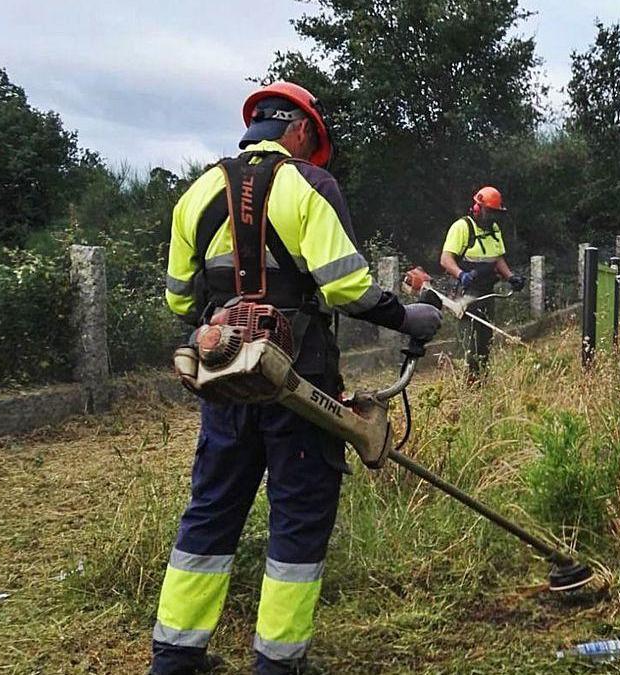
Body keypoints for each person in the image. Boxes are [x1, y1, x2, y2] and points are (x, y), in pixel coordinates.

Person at [153, 81, 441, 675]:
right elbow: (346, 287)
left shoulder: (198, 193)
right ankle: (278, 662)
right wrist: (406, 315)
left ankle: (176, 656)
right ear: (302, 131)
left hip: (225, 379)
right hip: (299, 385)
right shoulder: (311, 186)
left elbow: (181, 302)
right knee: (299, 515)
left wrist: (224, 314)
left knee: (210, 508)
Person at [438, 186, 524, 376]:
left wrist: (510, 277)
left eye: (496, 213)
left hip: (487, 293)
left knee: (485, 343)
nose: (492, 217)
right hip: (466, 293)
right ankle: (465, 382)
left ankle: (481, 382)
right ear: (477, 208)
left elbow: (497, 259)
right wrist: (461, 274)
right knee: (469, 343)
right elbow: (446, 260)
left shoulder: (494, 230)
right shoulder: (462, 227)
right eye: (489, 212)